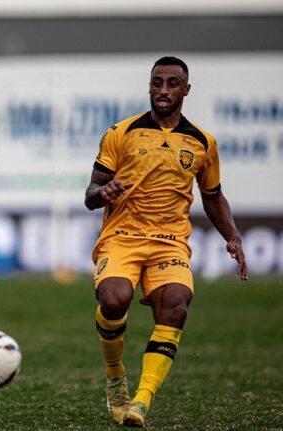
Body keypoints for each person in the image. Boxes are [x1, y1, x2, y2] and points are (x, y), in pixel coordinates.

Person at [84, 56, 248, 428]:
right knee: (113, 299)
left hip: (169, 241)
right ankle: (115, 377)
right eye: (157, 82)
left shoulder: (203, 142)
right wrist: (104, 191)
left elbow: (212, 196)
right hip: (122, 237)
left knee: (175, 306)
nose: (163, 90)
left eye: (173, 83)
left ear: (186, 90)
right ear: (149, 86)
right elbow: (91, 194)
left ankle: (141, 401)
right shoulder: (120, 133)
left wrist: (232, 235)